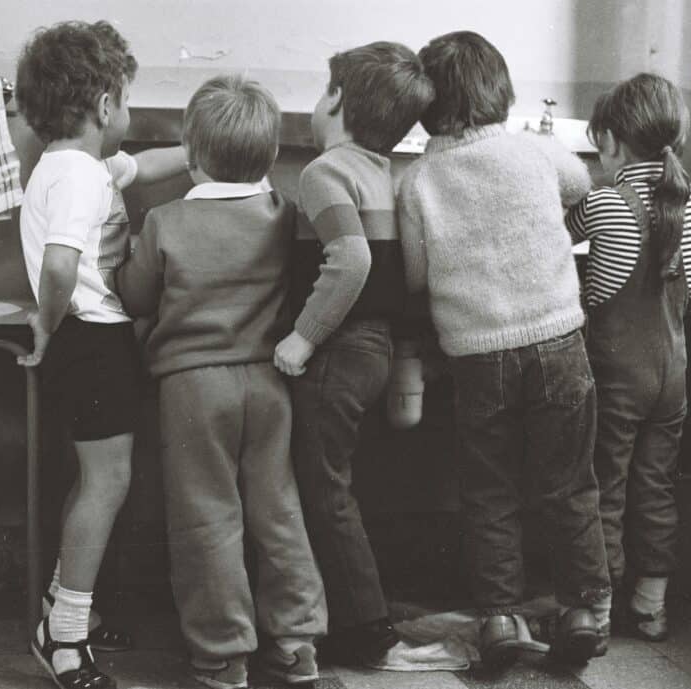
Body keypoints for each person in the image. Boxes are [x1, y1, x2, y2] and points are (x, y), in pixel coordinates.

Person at [397, 31, 610, 671]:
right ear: (501, 90)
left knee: (490, 493)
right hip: (558, 340)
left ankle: (500, 619)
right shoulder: (534, 151)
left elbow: (413, 276)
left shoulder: (419, 180)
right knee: (571, 483)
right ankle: (585, 610)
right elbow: (582, 183)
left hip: (477, 355)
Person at [117, 74, 327, 689]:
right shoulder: (280, 213)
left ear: (193, 152)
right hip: (268, 384)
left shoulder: (164, 222)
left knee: (207, 518)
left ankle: (223, 653)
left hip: (192, 387)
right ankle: (294, 645)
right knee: (278, 510)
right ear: (268, 155)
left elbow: (135, 297)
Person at [15, 20, 187, 689]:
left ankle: (65, 607)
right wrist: (45, 324)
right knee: (108, 484)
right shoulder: (81, 177)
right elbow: (60, 267)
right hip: (90, 337)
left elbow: (142, 166)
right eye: (126, 99)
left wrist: (201, 152)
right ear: (106, 106)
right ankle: (63, 640)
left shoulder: (66, 165)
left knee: (95, 482)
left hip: (86, 340)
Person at [272, 41, 434, 666]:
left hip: (337, 350)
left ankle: (368, 632)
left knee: (324, 490)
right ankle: (355, 618)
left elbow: (351, 260)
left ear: (336, 98)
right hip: (379, 350)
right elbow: (410, 271)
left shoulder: (325, 172)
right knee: (340, 485)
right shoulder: (384, 174)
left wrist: (301, 336)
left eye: (322, 91)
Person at [565, 72, 691, 645]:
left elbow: (591, 290)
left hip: (616, 371)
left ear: (609, 141)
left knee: (604, 483)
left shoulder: (606, 201)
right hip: (672, 370)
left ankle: (596, 608)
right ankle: (652, 606)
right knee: (655, 484)